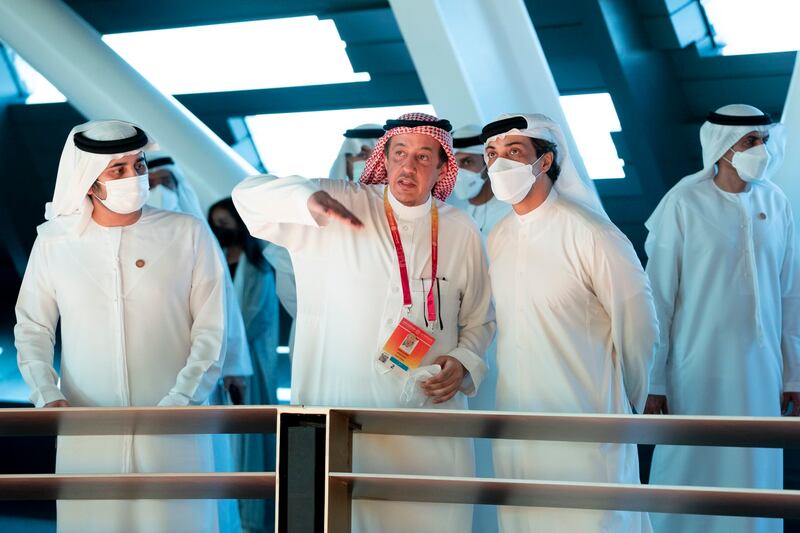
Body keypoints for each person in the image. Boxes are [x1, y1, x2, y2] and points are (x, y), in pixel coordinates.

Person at [232, 112, 495, 532]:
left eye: (423, 156)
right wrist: (306, 201)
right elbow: (247, 193)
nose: (408, 166)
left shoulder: (460, 229)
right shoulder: (340, 200)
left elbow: (481, 319)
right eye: (399, 154)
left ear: (443, 166)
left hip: (425, 420)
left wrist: (464, 360)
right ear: (384, 158)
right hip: (339, 415)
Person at [14, 120, 225, 532]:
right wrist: (46, 394)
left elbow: (212, 331)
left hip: (174, 425)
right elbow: (33, 326)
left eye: (139, 164)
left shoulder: (187, 233)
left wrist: (181, 402)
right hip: (87, 428)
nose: (136, 177)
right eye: (119, 170)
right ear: (90, 181)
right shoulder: (55, 242)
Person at [483, 113, 658, 532]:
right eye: (491, 154)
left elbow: (639, 324)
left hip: (585, 419)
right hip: (518, 420)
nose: (499, 163)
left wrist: (628, 399)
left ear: (543, 162)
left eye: (513, 152)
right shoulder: (498, 236)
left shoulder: (592, 233)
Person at [644, 104, 799, 533]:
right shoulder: (683, 202)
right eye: (751, 141)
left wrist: (794, 375)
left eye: (764, 140)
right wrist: (655, 379)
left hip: (762, 373)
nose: (761, 150)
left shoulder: (776, 201)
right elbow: (658, 298)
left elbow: (790, 295)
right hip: (696, 370)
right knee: (690, 466)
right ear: (723, 146)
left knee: (755, 469)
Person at [145, 153, 253, 533]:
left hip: (195, 370)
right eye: (151, 183)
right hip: (143, 368)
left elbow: (223, 310)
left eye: (166, 183)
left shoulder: (197, 237)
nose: (159, 191)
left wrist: (234, 366)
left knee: (199, 455)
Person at [208, 198, 280, 533]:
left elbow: (256, 315)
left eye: (226, 222)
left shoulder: (260, 262)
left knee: (252, 437)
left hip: (250, 363)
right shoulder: (214, 258)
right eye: (216, 223)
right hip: (218, 362)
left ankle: (252, 518)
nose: (221, 230)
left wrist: (228, 347)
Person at [448, 124, 511, 238]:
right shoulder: (463, 212)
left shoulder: (510, 211)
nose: (457, 172)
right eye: (453, 165)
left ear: (488, 164)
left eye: (467, 162)